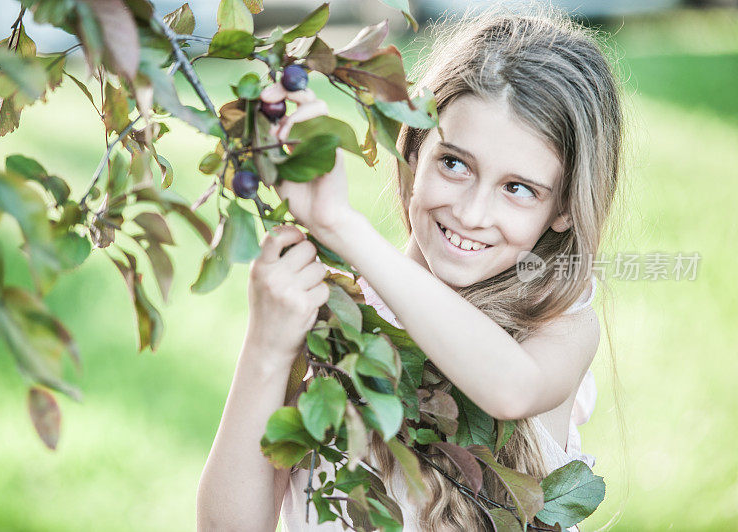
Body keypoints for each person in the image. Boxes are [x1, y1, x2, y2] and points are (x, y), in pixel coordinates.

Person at [197, 3, 626, 530]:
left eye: (518, 189)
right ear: (415, 149)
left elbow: (511, 389)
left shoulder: (558, 317)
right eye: (454, 163)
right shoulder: (332, 313)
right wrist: (267, 344)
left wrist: (339, 226)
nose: (471, 214)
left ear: (563, 208)